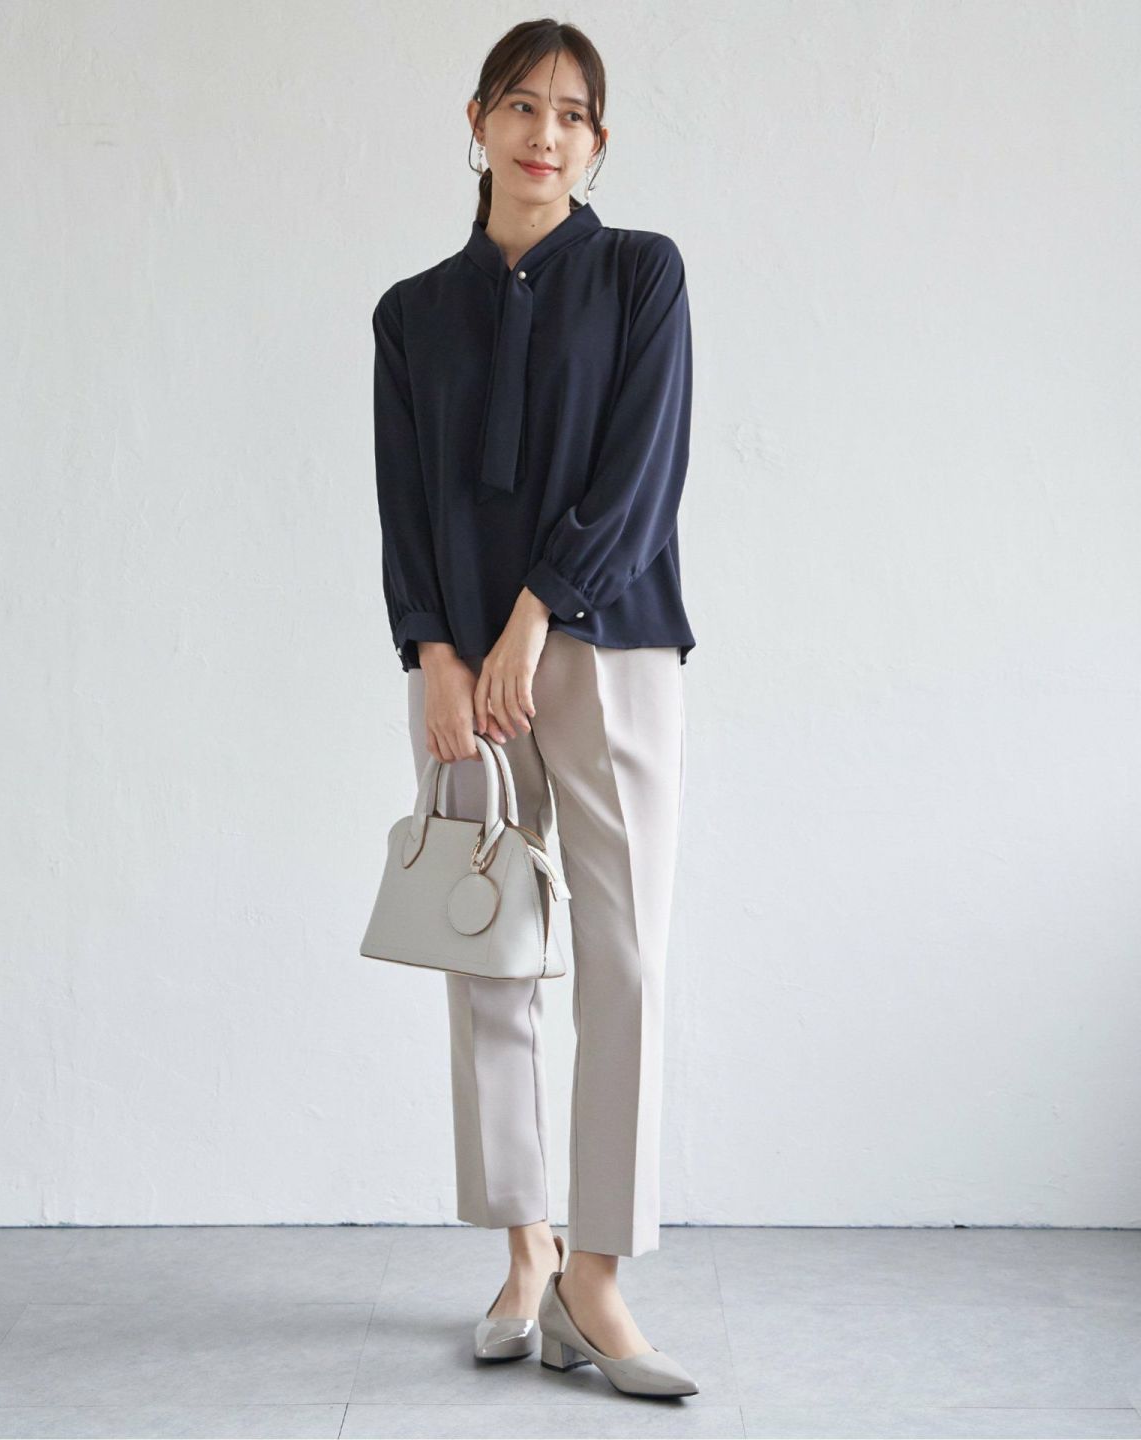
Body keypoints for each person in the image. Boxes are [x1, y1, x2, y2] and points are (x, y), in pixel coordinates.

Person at [371, 18, 698, 1399]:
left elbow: (640, 475)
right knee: (490, 953)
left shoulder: (640, 276)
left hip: (604, 645)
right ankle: (525, 1256)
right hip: (462, 673)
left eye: (570, 113)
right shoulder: (410, 315)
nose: (543, 133)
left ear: (597, 141)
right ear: (479, 121)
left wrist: (530, 620)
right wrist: (436, 655)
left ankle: (596, 1278)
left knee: (625, 958)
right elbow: (403, 505)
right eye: (520, 105)